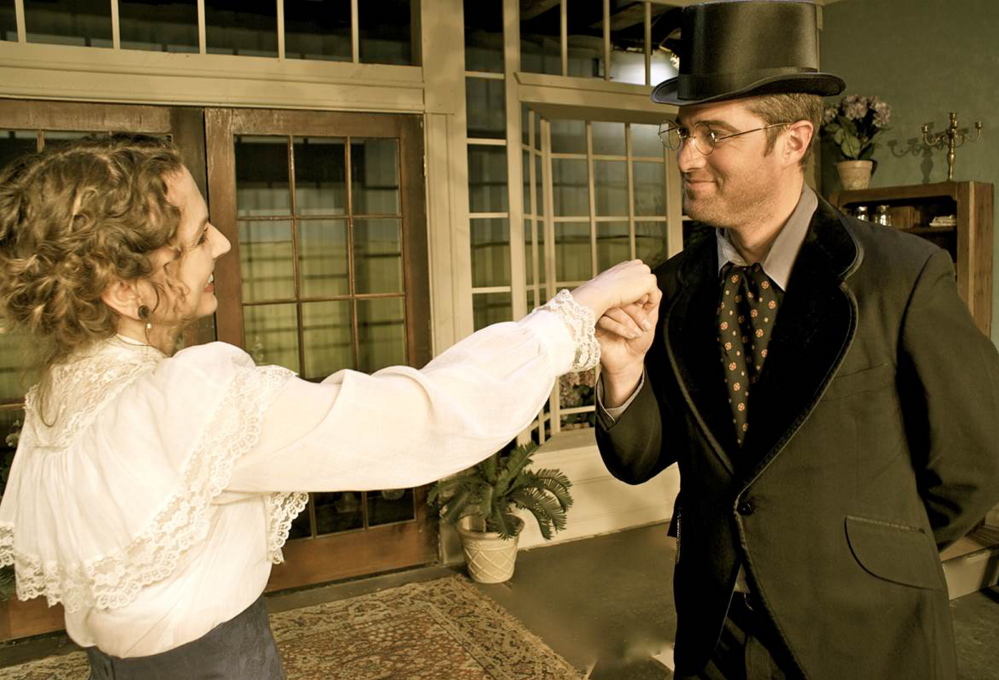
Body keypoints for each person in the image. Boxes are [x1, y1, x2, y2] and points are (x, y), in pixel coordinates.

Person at [0, 133, 660, 678]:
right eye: (198, 237)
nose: (222, 246)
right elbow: (420, 418)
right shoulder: (183, 401)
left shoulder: (61, 389)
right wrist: (569, 314)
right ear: (124, 288)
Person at [593, 1, 999, 679]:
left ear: (794, 141)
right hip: (714, 624)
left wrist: (873, 555)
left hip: (864, 630)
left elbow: (971, 460)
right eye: (682, 132)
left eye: (714, 134)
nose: (687, 157)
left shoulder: (902, 274)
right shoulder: (674, 285)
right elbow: (639, 459)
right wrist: (620, 373)